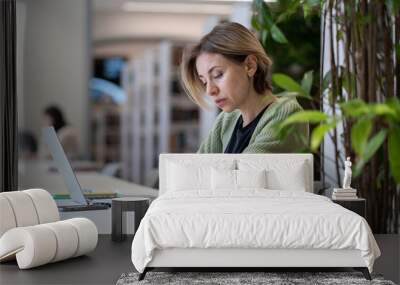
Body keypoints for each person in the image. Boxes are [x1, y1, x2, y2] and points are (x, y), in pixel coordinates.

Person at [181, 22, 309, 153]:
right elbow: (198, 169)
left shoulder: (287, 113)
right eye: (204, 82)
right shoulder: (226, 120)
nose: (210, 90)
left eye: (217, 75)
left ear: (250, 66)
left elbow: (245, 171)